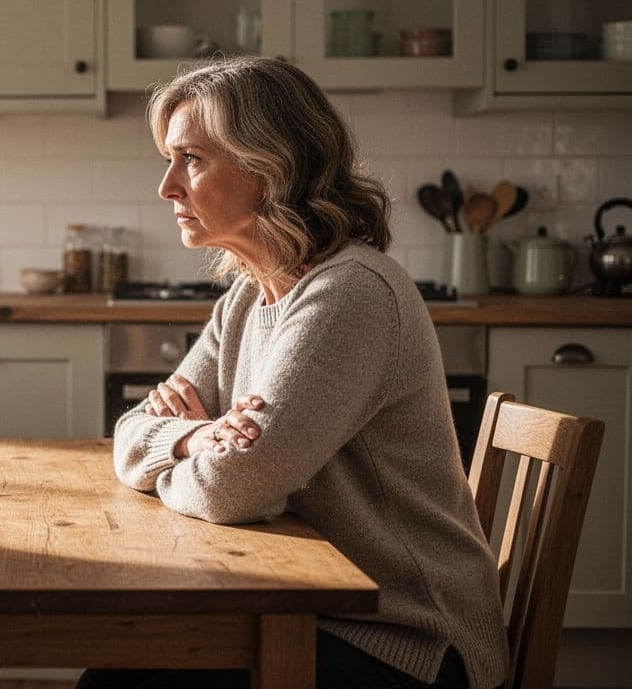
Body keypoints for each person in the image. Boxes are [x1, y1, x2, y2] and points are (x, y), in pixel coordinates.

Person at [80, 57, 506, 689]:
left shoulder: (351, 293)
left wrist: (220, 467)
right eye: (169, 160)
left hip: (407, 637)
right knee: (115, 672)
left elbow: (232, 489)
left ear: (270, 166)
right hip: (304, 604)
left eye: (190, 159)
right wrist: (194, 438)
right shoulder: (246, 299)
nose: (167, 187)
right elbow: (128, 436)